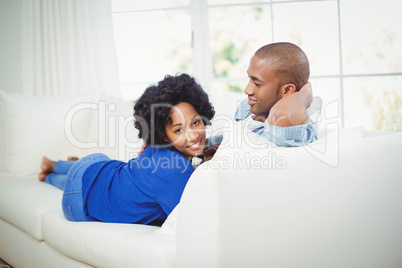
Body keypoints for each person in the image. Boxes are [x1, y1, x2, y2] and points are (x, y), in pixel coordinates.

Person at [38, 73, 216, 225]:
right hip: (77, 200)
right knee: (75, 178)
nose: (193, 136)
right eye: (178, 130)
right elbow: (192, 220)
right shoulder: (175, 171)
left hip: (98, 168)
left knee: (83, 171)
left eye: (196, 122)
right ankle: (53, 168)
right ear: (163, 135)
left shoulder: (157, 148)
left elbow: (215, 141)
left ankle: (52, 169)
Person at [234, 42, 318, 147]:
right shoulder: (247, 107)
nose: (247, 90)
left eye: (257, 84)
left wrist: (306, 94)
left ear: (287, 90)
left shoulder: (295, 132)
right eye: (249, 78)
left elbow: (282, 114)